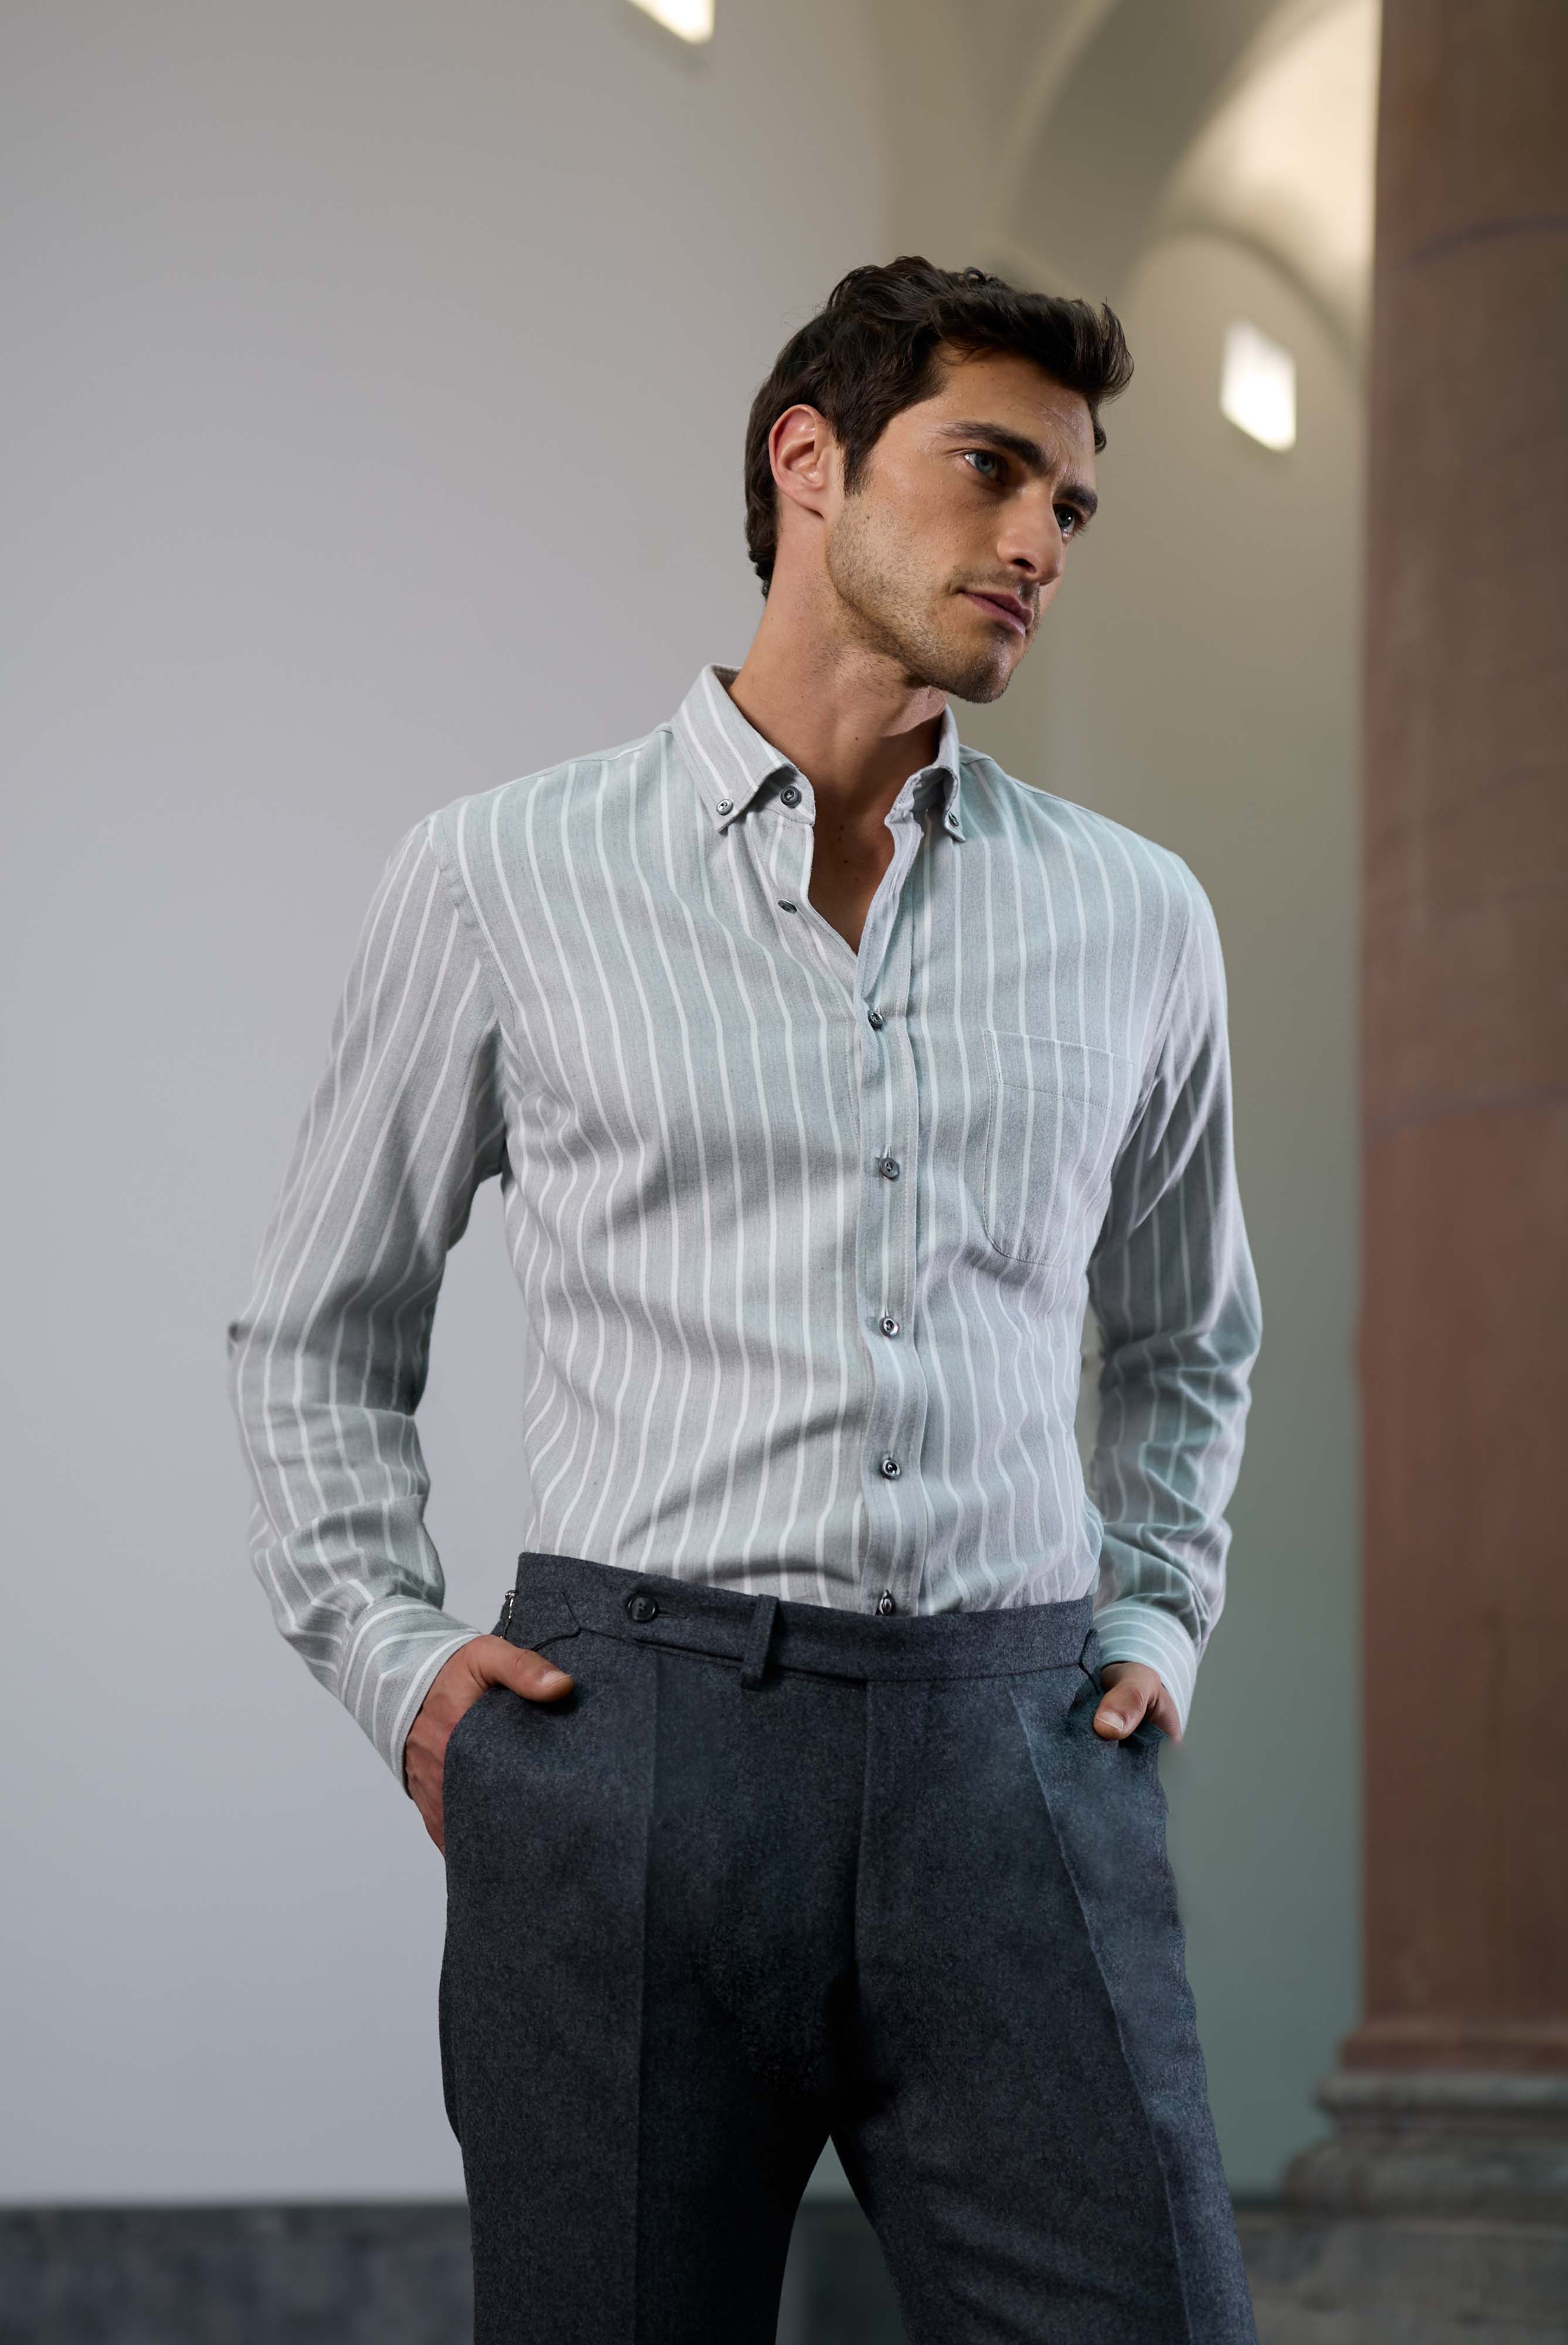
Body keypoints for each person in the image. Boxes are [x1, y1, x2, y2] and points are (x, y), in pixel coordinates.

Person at [226, 255, 1263, 2343]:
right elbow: (318, 1330)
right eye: (990, 470)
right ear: (811, 461)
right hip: (629, 1760)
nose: (1040, 543)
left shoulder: (1137, 916)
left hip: (1015, 1755)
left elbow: (1185, 1336)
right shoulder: (501, 876)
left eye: (1069, 503)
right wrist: (392, 1661)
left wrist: (1152, 1611)